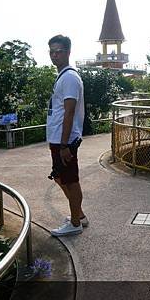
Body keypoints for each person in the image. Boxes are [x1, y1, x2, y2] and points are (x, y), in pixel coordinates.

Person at [46, 34, 88, 236]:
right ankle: (78, 215)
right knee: (60, 177)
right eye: (52, 51)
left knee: (71, 180)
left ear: (68, 52)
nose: (54, 55)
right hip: (58, 138)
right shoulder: (63, 75)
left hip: (65, 140)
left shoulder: (70, 77)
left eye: (59, 51)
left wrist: (64, 145)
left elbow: (69, 112)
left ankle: (75, 223)